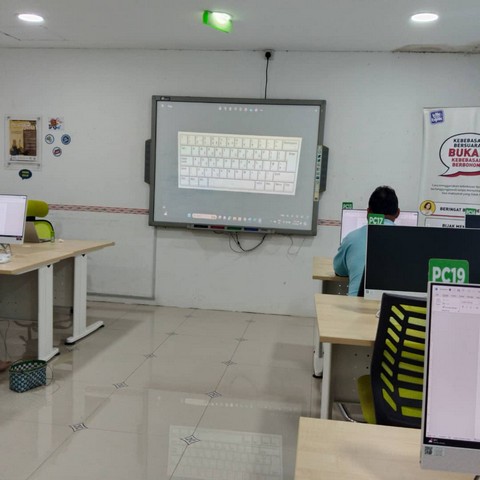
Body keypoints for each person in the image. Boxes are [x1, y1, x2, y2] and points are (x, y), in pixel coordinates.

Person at [333, 185, 400, 296]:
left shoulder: (351, 238)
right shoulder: (411, 242)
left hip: (357, 305)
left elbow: (339, 271)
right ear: (398, 213)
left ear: (368, 212)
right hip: (395, 306)